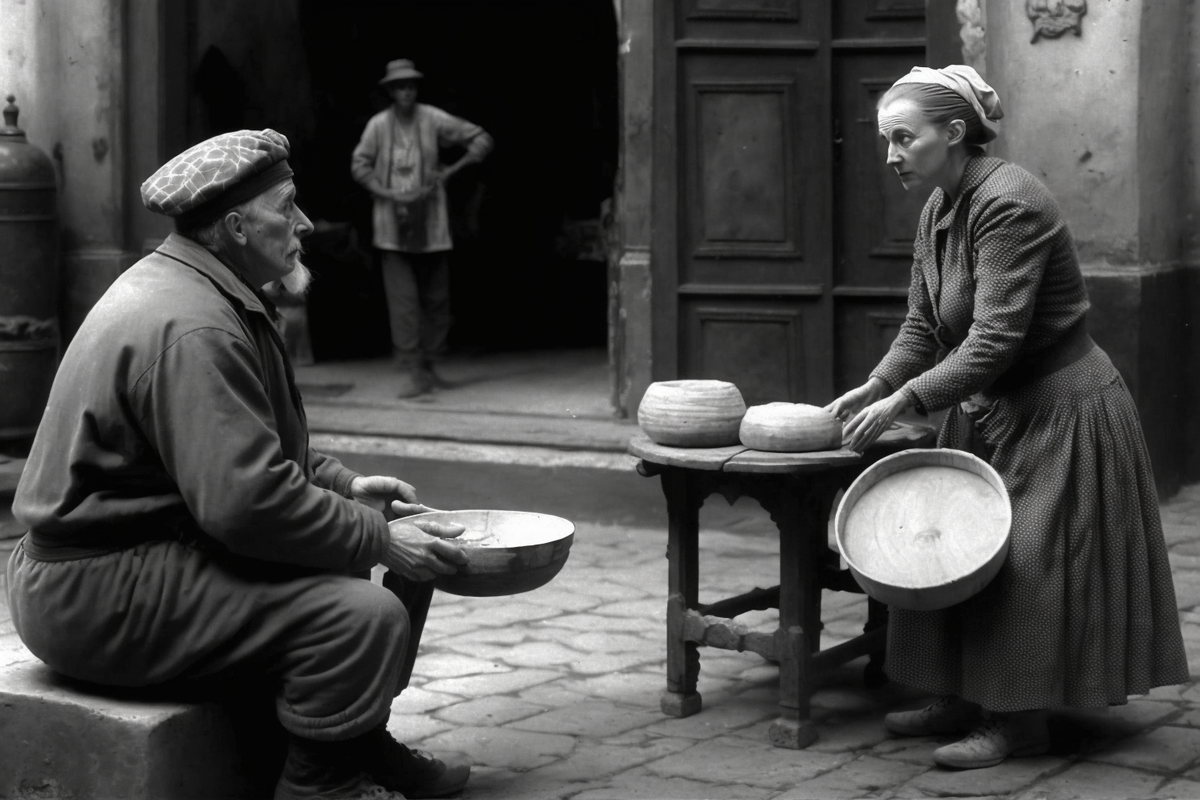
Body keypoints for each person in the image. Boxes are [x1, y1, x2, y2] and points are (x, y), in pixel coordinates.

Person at [7, 129, 475, 800]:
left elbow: (235, 450)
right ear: (233, 226)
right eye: (286, 208)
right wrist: (378, 536)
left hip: (128, 559)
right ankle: (321, 784)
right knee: (360, 615)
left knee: (346, 549)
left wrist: (343, 486)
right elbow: (244, 505)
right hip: (90, 589)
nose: (305, 224)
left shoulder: (201, 287)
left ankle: (355, 739)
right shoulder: (193, 325)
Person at [826, 65, 1189, 770]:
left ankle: (1017, 721)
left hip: (1059, 410)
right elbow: (923, 328)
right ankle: (959, 692)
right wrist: (874, 385)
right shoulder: (939, 206)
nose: (892, 154)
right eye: (887, 141)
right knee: (949, 546)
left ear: (954, 133)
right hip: (991, 407)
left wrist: (907, 401)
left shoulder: (1009, 202)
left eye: (904, 138)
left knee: (1023, 564)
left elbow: (994, 338)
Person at [351, 59, 494, 398]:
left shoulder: (432, 118)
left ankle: (428, 366)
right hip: (392, 227)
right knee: (403, 302)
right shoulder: (378, 126)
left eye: (411, 86)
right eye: (399, 87)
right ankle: (414, 370)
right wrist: (383, 191)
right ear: (390, 91)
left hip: (431, 225)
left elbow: (479, 139)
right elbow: (359, 163)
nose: (406, 92)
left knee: (437, 300)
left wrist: (452, 169)